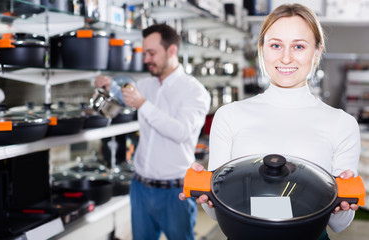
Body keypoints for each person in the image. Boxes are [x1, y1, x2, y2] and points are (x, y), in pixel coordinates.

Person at [179, 3, 361, 240]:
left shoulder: (342, 124)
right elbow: (217, 213)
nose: (286, 58)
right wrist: (208, 195)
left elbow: (340, 224)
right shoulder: (229, 116)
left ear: (317, 51)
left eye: (298, 46)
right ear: (262, 48)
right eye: (276, 45)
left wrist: (342, 204)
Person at [95, 23, 211, 240]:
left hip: (175, 192)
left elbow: (182, 132)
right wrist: (108, 84)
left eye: (151, 53)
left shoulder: (194, 91)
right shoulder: (145, 85)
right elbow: (121, 95)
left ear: (172, 51)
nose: (146, 59)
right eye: (144, 53)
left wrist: (143, 104)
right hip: (140, 187)